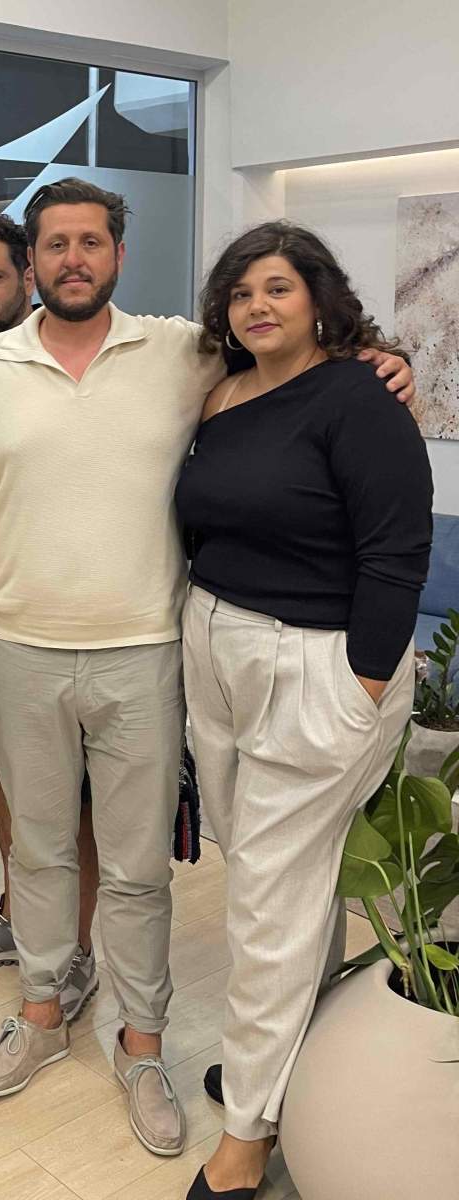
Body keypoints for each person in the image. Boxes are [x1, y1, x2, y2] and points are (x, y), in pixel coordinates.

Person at [0, 179, 416, 1155]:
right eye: (54, 244)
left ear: (117, 254)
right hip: (18, 648)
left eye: (90, 242)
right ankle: (42, 1010)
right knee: (39, 852)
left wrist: (378, 360)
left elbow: (295, 363)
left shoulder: (183, 354)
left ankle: (141, 1044)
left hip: (146, 653)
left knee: (140, 867)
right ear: (32, 262)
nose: (72, 259)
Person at [176, 222, 431, 1200]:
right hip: (218, 647)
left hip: (314, 662)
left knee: (267, 905)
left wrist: (360, 689)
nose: (257, 307)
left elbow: (396, 555)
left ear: (319, 299)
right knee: (280, 884)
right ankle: (284, 1074)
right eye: (241, 293)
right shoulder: (223, 392)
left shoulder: (360, 398)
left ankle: (246, 1138)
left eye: (277, 288)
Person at [0, 216, 100, 1022]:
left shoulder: (77, 357)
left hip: (68, 617)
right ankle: (20, 914)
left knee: (75, 792)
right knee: (3, 772)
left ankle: (77, 945)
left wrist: (371, 355)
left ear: (28, 276)